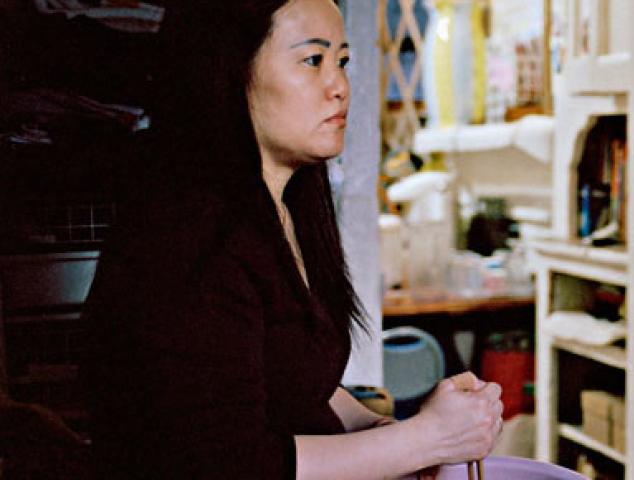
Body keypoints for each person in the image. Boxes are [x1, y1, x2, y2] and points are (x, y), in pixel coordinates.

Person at [83, 1, 503, 478]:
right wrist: (422, 440)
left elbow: (294, 381)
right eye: (313, 61)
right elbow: (228, 464)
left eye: (342, 62)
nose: (340, 87)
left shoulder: (286, 208)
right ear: (232, 69)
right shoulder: (188, 236)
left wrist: (386, 432)